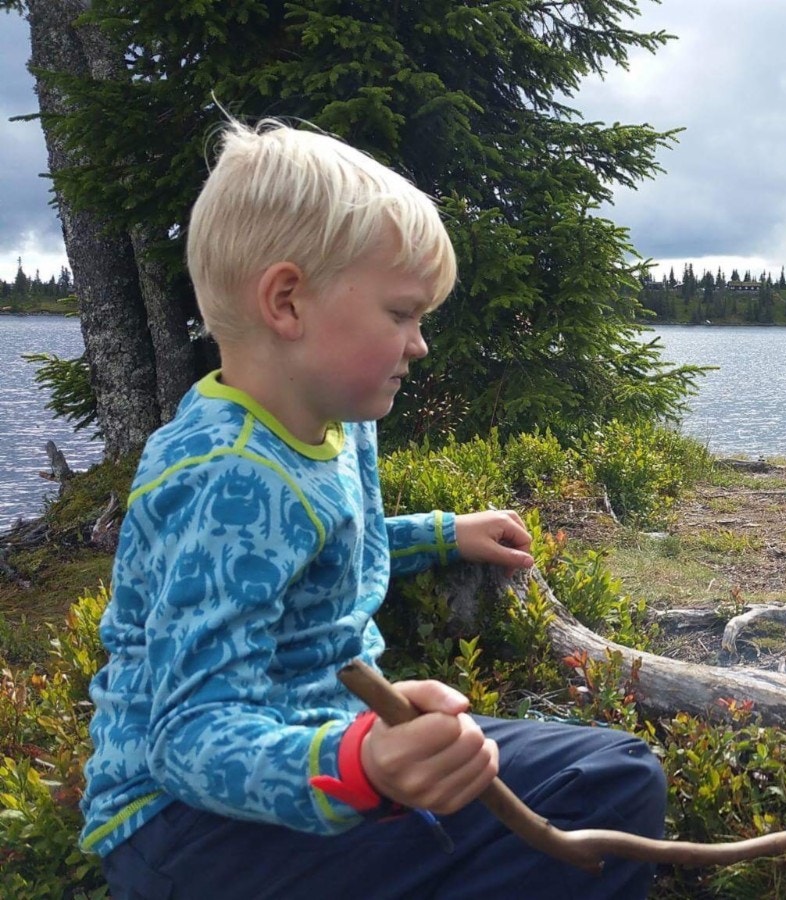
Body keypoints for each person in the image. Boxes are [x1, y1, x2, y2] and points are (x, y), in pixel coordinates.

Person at [78, 118, 666, 899]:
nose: (419, 343)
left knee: (614, 777)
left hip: (316, 768)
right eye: (400, 314)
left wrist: (442, 534)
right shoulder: (226, 477)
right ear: (288, 302)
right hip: (183, 832)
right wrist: (359, 766)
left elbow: (314, 549)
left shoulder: (334, 417)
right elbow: (187, 738)